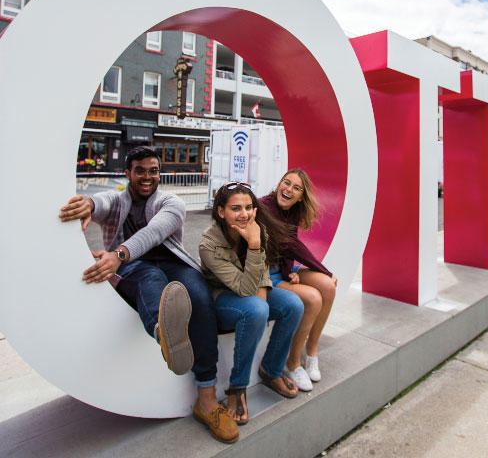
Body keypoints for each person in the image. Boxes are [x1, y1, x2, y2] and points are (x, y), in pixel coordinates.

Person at [59, 146, 238, 444]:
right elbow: (103, 201)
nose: (147, 176)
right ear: (127, 173)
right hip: (136, 269)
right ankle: (164, 332)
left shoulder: (171, 202)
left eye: (153, 170)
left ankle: (207, 400)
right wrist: (88, 203)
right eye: (140, 170)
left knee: (200, 296)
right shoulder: (118, 199)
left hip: (171, 264)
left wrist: (119, 253)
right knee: (149, 278)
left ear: (159, 173)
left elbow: (155, 232)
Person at [199, 183, 304, 425]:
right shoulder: (209, 244)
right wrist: (255, 245)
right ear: (220, 211)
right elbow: (243, 288)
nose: (244, 214)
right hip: (223, 297)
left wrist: (256, 243)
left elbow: (263, 275)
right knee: (256, 308)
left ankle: (271, 370)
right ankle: (237, 386)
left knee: (293, 304)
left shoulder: (257, 230)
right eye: (236, 208)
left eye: (249, 207)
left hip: (250, 288)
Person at [261, 169, 337, 392]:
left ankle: (311, 353)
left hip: (283, 268)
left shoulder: (292, 212)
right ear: (279, 184)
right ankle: (292, 363)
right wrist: (323, 268)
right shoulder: (264, 207)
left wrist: (290, 272)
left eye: (296, 188)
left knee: (327, 286)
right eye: (286, 183)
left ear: (301, 196)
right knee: (313, 298)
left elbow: (287, 247)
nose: (289, 190)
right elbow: (291, 245)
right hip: (265, 275)